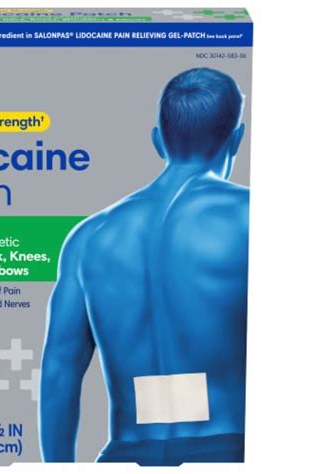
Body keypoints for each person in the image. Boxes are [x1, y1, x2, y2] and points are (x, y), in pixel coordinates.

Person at [39, 67, 249, 465]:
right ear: (237, 138)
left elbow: (58, 374)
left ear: (158, 141)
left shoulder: (89, 237)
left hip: (125, 455)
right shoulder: (249, 217)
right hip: (227, 453)